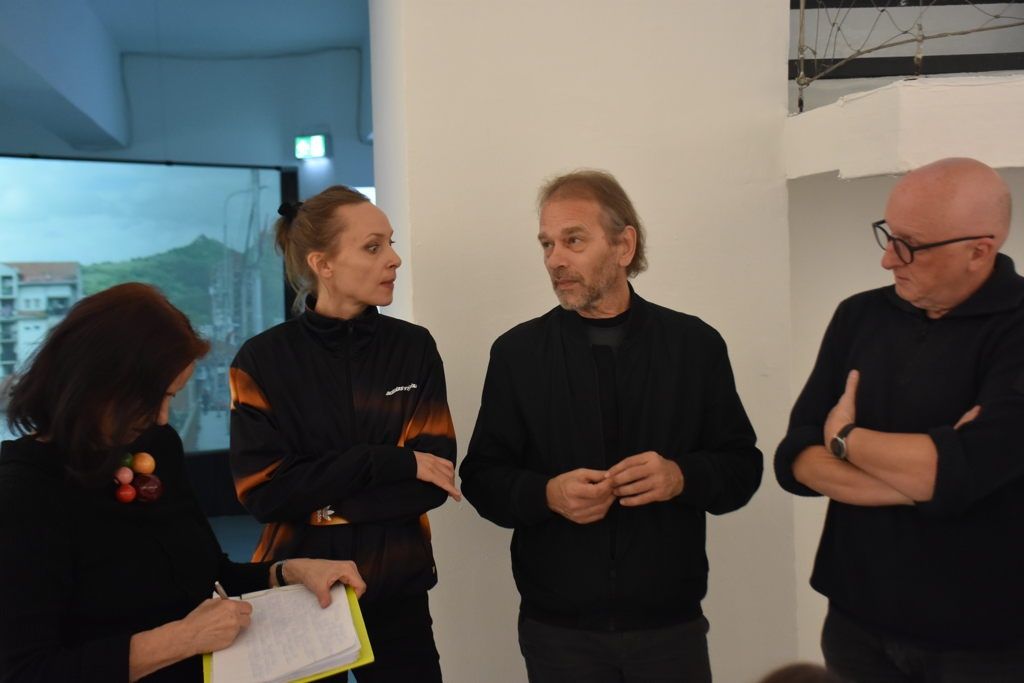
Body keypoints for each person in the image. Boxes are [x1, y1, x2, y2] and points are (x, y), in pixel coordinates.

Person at [459, 169, 763, 682]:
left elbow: (742, 469)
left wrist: (680, 477)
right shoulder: (517, 354)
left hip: (671, 630)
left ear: (624, 245)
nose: (555, 259)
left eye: (573, 240)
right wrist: (547, 495)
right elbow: (481, 478)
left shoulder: (695, 346)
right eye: (547, 244)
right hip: (558, 633)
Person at [0, 283, 365, 683]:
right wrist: (181, 639)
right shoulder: (23, 495)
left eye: (171, 398)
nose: (161, 417)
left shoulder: (156, 446)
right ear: (96, 383)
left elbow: (207, 578)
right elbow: (26, 671)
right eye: (152, 397)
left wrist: (285, 573)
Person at [775, 157, 1024, 681]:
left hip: (983, 644)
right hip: (854, 622)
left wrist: (845, 438)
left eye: (910, 244)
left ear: (978, 251)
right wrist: (926, 480)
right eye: (889, 235)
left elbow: (952, 471)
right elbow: (795, 457)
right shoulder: (859, 314)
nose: (889, 258)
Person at [229, 186, 458, 682]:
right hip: (299, 593)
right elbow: (264, 493)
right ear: (323, 264)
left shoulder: (414, 348)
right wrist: (392, 461)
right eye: (373, 247)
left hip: (398, 585)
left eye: (391, 243)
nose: (394, 259)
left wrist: (317, 503)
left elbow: (434, 480)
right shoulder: (262, 361)